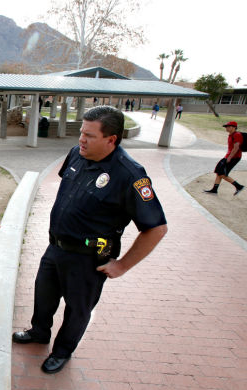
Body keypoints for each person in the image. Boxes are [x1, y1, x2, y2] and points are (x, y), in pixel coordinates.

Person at [12, 106, 167, 375]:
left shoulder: (130, 175)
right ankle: (39, 332)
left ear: (111, 139)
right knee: (44, 295)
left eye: (90, 135)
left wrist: (123, 265)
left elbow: (156, 228)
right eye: (82, 132)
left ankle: (62, 351)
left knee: (77, 309)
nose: (81, 139)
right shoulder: (76, 153)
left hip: (87, 259)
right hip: (55, 247)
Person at [204, 121, 245, 195]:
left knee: (222, 174)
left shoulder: (237, 135)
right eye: (226, 127)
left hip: (234, 157)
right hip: (228, 156)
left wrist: (229, 158)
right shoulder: (231, 135)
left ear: (234, 127)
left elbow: (236, 147)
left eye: (229, 126)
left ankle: (239, 186)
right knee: (218, 171)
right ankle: (214, 189)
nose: (227, 128)